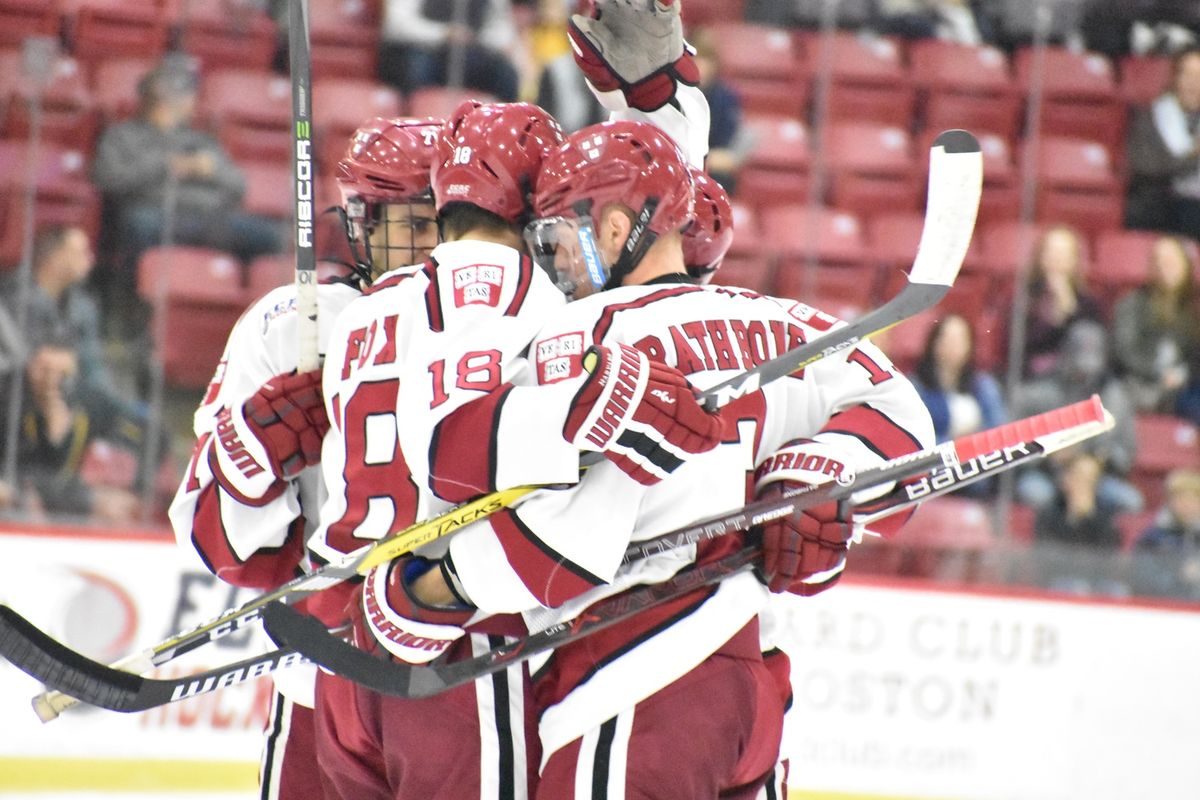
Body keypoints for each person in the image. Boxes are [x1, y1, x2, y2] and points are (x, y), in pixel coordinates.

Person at [367, 115, 933, 797]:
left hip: (633, 684)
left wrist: (434, 590)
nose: (557, 263)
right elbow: (905, 428)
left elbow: (538, 535)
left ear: (611, 228)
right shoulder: (784, 322)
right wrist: (820, 474)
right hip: (754, 692)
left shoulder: (580, 336)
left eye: (559, 236)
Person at [166, 116, 442, 800]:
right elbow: (213, 535)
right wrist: (259, 452)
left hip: (463, 672)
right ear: (363, 223)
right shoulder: (297, 324)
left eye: (451, 221)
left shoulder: (508, 317)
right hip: (324, 674)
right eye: (417, 222)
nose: (437, 244)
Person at [91, 54, 281, 323]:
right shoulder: (124, 136)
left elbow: (238, 185)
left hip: (210, 219)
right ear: (163, 97)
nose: (192, 101)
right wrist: (167, 166)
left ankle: (255, 321)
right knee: (138, 224)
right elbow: (108, 178)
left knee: (270, 236)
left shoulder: (200, 140)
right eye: (186, 93)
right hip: (155, 214)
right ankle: (133, 317)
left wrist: (208, 170)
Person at [2, 224, 144, 422]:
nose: (90, 259)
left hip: (81, 399)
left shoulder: (83, 307)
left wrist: (122, 407)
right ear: (54, 257)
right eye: (81, 252)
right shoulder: (15, 301)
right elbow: (28, 369)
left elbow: (93, 370)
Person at [4, 340, 143, 524]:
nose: (50, 381)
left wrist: (127, 485)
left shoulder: (91, 404)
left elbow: (148, 436)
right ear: (29, 365)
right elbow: (23, 476)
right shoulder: (9, 400)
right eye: (44, 370)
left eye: (62, 375)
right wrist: (90, 499)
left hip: (67, 511)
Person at [1014, 319, 1144, 515]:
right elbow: (1012, 447)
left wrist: (1098, 458)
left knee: (1130, 501)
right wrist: (1047, 454)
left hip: (1094, 478)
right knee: (1036, 494)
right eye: (1078, 366)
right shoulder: (1039, 391)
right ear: (1066, 354)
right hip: (1046, 474)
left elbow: (1126, 453)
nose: (1084, 374)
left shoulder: (1115, 395)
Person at [910, 313, 1007, 496]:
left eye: (959, 339)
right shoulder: (916, 386)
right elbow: (913, 435)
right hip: (928, 469)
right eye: (947, 338)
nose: (952, 346)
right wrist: (952, 445)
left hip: (974, 471)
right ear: (934, 342)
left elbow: (997, 429)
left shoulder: (984, 386)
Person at [1112, 234, 1200, 418]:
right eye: (1159, 260)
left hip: (1186, 388)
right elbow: (1125, 351)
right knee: (1114, 397)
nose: (1165, 266)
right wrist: (1158, 373)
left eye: (1172, 260)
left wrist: (1183, 375)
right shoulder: (1132, 303)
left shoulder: (1194, 308)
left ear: (1186, 265)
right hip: (1137, 383)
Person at [378, 0, 522, 101]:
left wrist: (487, 40)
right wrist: (445, 33)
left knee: (506, 74)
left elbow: (500, 27)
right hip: (421, 48)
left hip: (470, 50)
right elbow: (398, 25)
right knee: (417, 68)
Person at [1012, 224, 1105, 380]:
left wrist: (1068, 306)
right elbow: (1022, 350)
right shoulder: (1026, 299)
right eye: (1051, 252)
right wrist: (1054, 321)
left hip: (1077, 379)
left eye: (1063, 253)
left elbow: (1092, 343)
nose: (1056, 258)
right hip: (1039, 378)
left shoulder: (1088, 302)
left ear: (1074, 260)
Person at [1125, 47, 1200, 236]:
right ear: (1175, 78)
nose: (1194, 84)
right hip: (1159, 208)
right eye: (1188, 75)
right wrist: (1193, 157)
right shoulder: (1151, 116)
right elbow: (1147, 166)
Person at [1032, 450, 1128, 596]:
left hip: (1095, 580)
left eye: (1089, 480)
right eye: (1079, 478)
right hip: (1059, 579)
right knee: (1075, 587)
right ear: (1067, 479)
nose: (1083, 485)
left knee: (1117, 591)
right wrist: (1072, 519)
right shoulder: (1050, 512)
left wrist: (1088, 517)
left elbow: (1108, 555)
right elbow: (1045, 556)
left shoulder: (1104, 516)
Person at [1132, 468, 1200, 599]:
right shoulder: (1153, 537)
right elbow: (1141, 576)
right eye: (1181, 498)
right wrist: (1179, 575)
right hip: (1163, 604)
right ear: (1170, 501)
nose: (1186, 504)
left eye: (1193, 499)